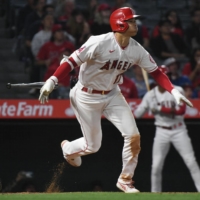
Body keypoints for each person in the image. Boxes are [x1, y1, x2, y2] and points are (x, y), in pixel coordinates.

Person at [38, 7, 193, 193]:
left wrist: (173, 91)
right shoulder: (99, 42)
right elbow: (70, 62)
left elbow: (156, 72)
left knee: (133, 136)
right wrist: (52, 80)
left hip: (112, 94)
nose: (136, 24)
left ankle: (125, 180)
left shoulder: (136, 48)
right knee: (93, 146)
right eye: (131, 21)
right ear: (120, 24)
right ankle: (68, 149)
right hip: (86, 95)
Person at [134, 65, 200, 192]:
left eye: (167, 76)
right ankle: (155, 194)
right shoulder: (150, 95)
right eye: (162, 76)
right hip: (161, 131)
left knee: (191, 161)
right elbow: (137, 115)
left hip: (179, 130)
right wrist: (146, 106)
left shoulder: (178, 90)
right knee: (156, 166)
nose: (165, 78)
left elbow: (181, 110)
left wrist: (159, 109)